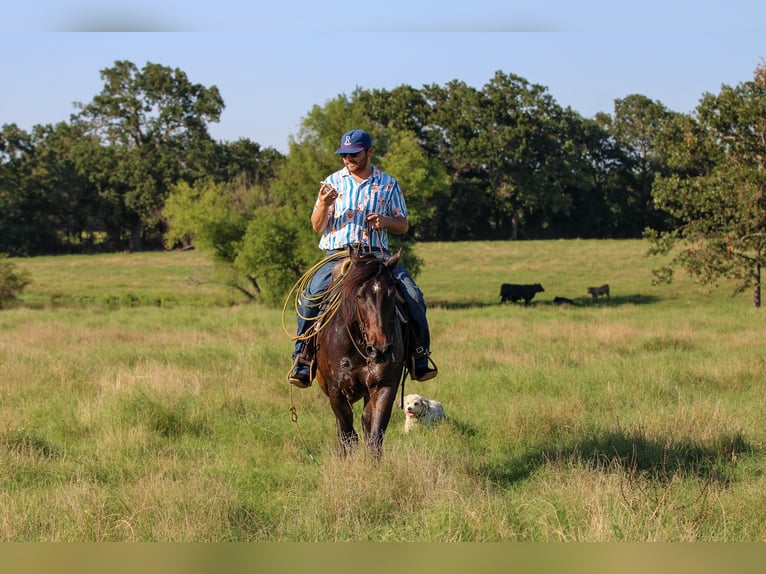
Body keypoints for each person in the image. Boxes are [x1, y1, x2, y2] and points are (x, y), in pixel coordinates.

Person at [288, 129, 437, 388]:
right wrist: (323, 204)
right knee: (308, 299)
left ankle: (419, 355)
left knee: (413, 296)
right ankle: (303, 359)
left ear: (369, 152)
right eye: (344, 155)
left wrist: (385, 221)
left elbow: (403, 225)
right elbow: (316, 225)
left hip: (376, 256)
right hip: (338, 256)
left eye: (354, 154)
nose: (348, 159)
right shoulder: (331, 182)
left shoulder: (388, 184)